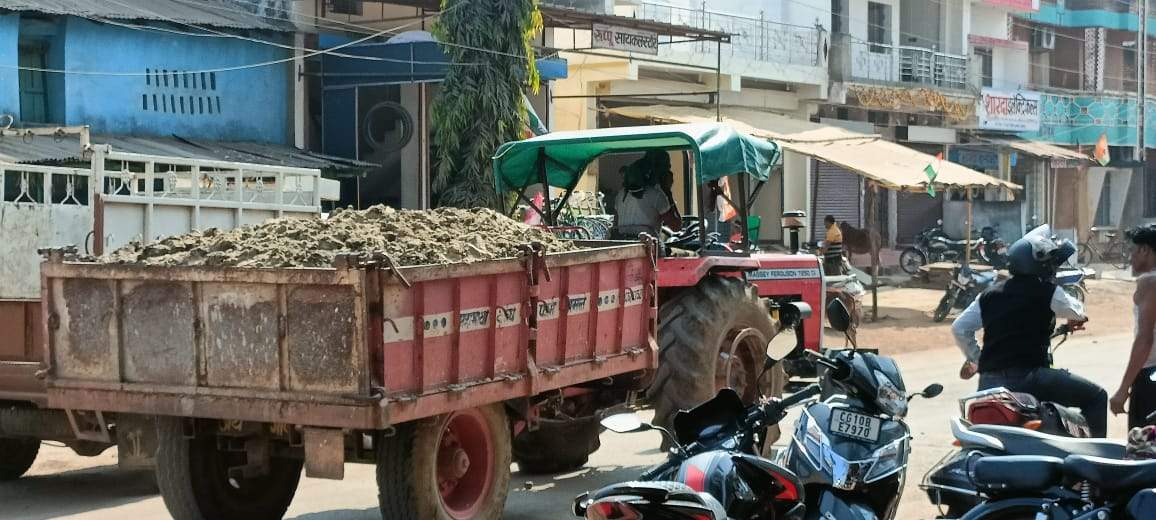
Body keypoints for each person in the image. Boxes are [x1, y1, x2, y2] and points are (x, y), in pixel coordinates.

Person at [952, 225, 1106, 437]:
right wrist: (1071, 319)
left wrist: (979, 359)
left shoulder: (989, 294)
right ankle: (1097, 462)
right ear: (1038, 263)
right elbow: (1077, 311)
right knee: (1097, 397)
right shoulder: (1048, 292)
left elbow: (959, 328)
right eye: (1049, 262)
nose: (1052, 266)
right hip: (1030, 378)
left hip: (989, 382)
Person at [1111, 225, 1156, 429]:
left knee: (1143, 450)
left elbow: (1145, 339)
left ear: (1145, 250)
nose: (1130, 257)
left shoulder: (1150, 282)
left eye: (1132, 250)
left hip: (1150, 377)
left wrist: (1123, 389)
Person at [613, 153, 680, 239]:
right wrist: (667, 191)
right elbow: (676, 226)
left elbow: (616, 223)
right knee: (689, 253)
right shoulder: (656, 196)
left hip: (623, 245)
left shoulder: (621, 194)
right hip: (649, 248)